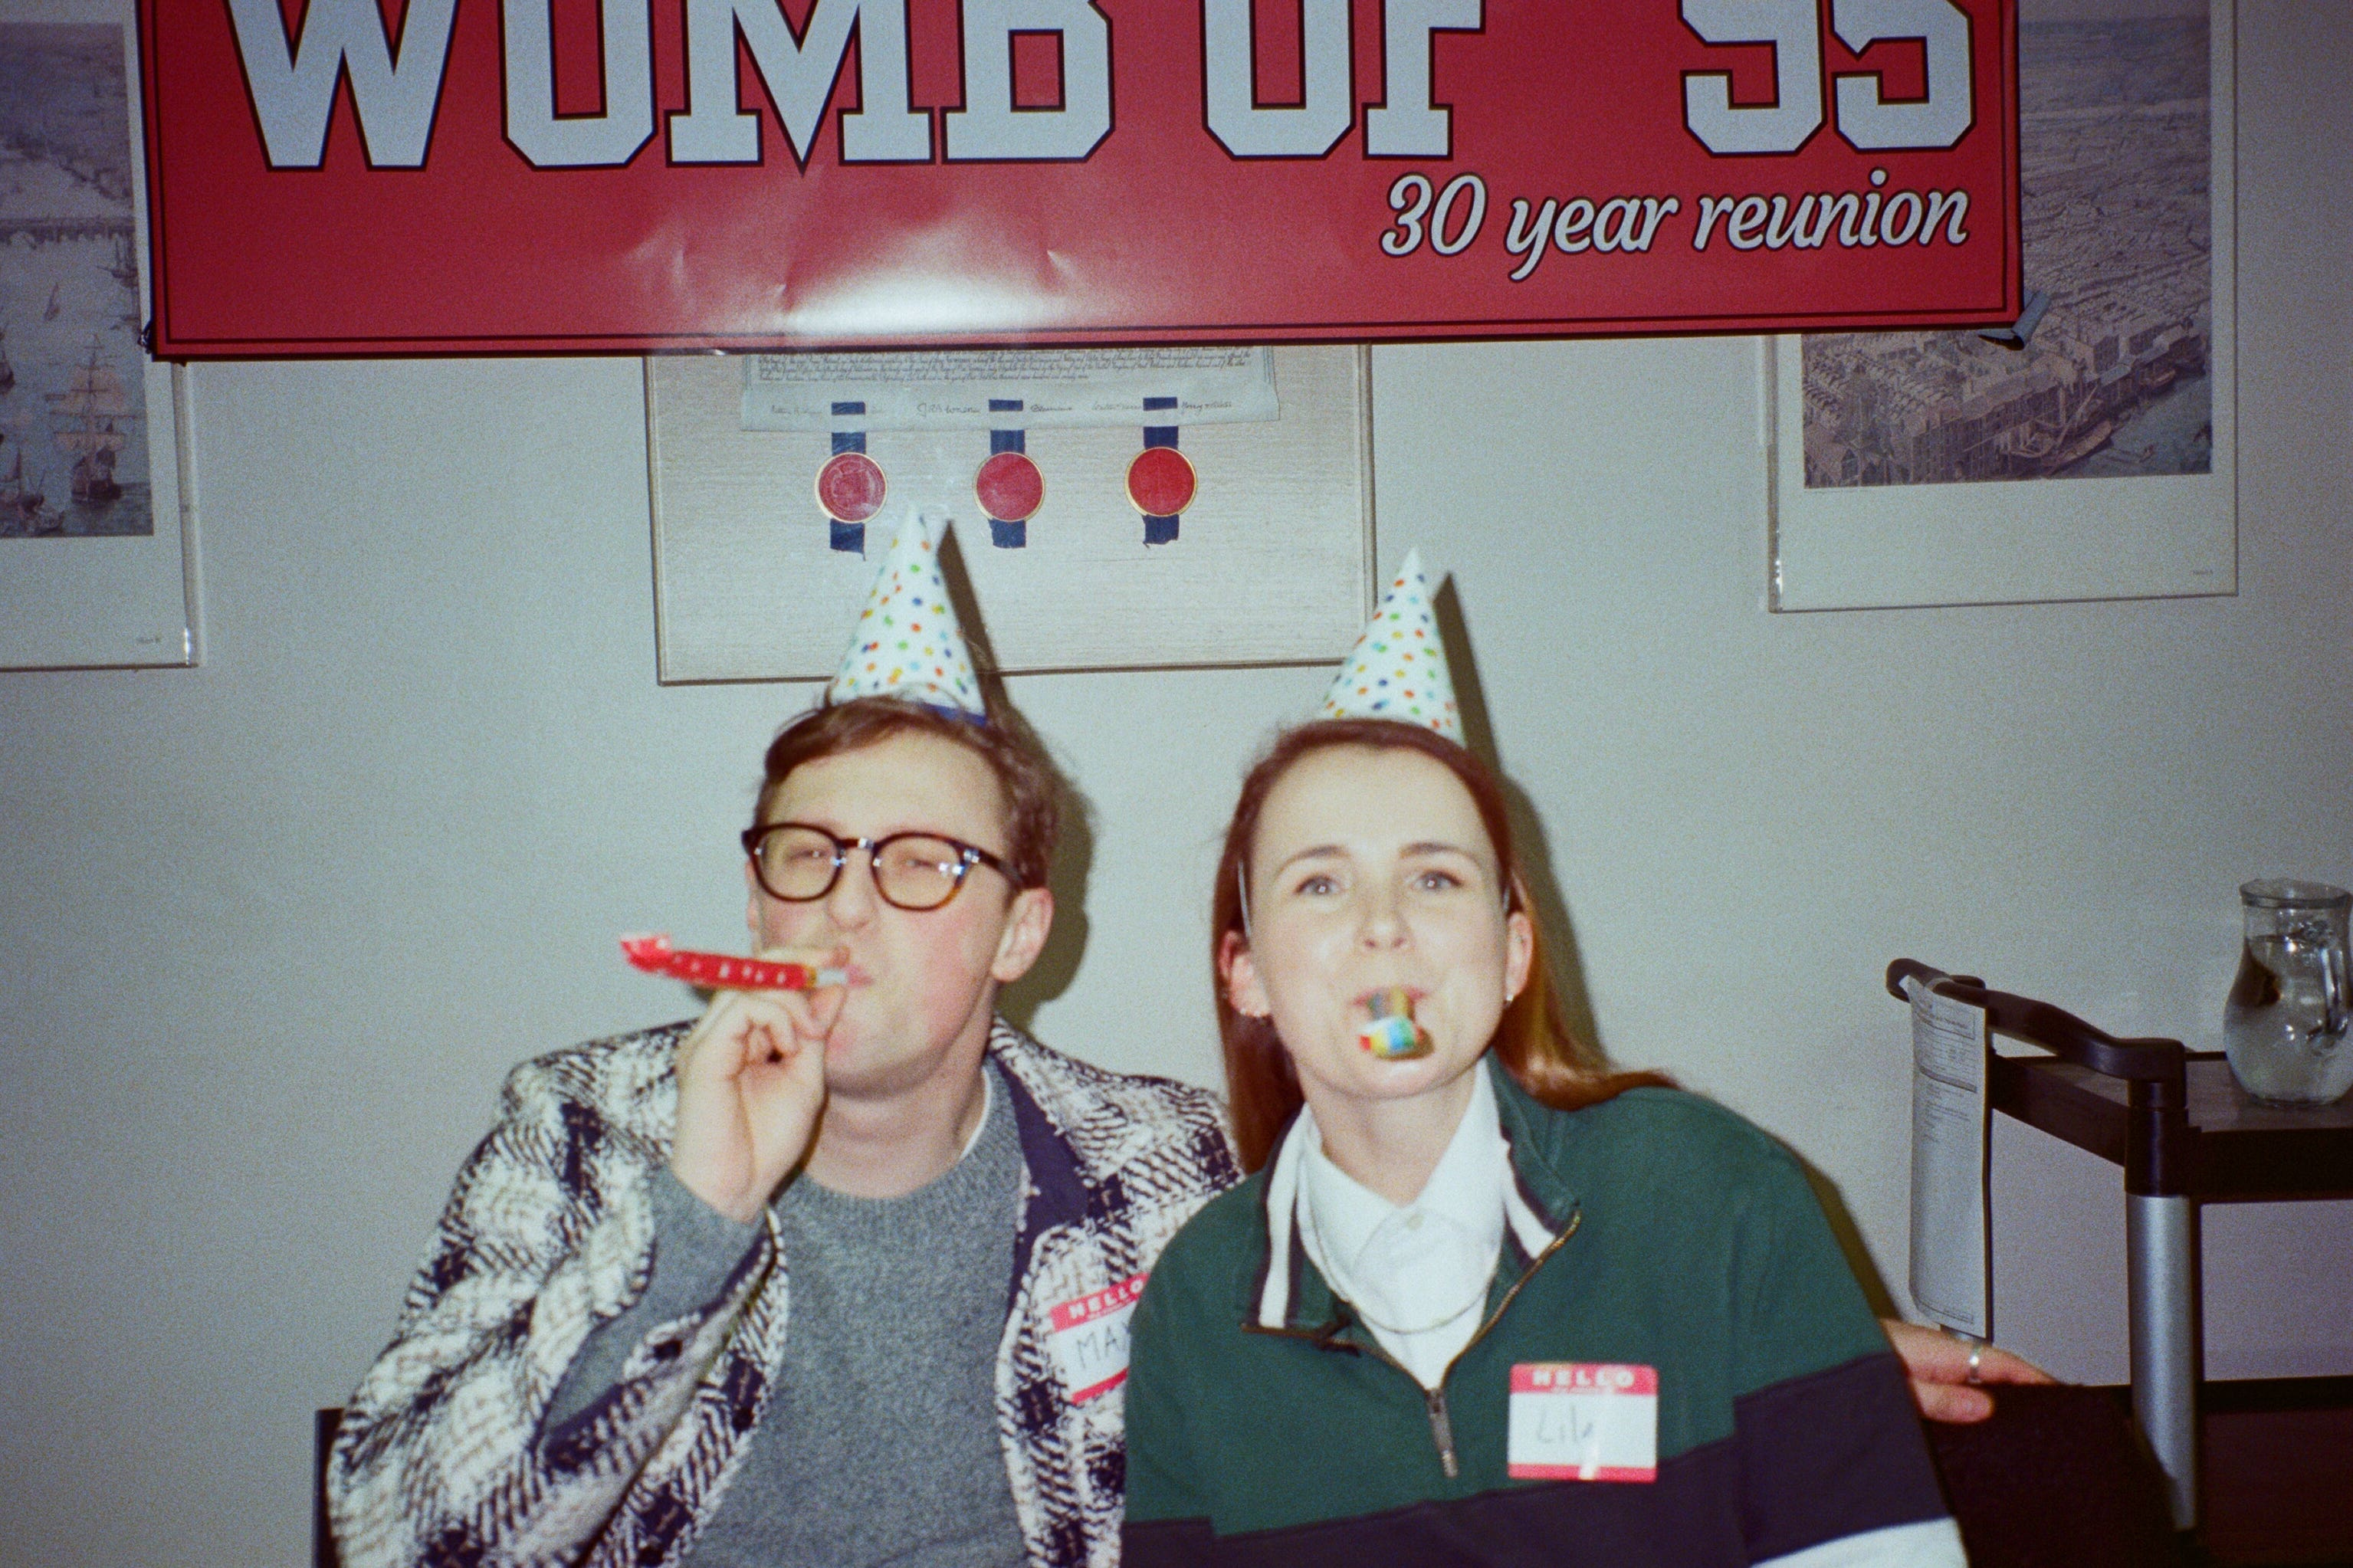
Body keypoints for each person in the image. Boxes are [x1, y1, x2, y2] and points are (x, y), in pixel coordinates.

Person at [326, 515, 1238, 1568]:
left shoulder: (1159, 1164)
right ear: (758, 909)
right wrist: (691, 1222)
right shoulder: (580, 1127)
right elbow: (393, 1540)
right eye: (806, 855)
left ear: (1018, 932)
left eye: (918, 861)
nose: (842, 910)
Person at [1121, 555, 1983, 1565]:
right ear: (1246, 972)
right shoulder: (1198, 1303)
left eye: (1433, 877)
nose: (1383, 926)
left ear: (1512, 952)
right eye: (1319, 885)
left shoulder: (1711, 1194)